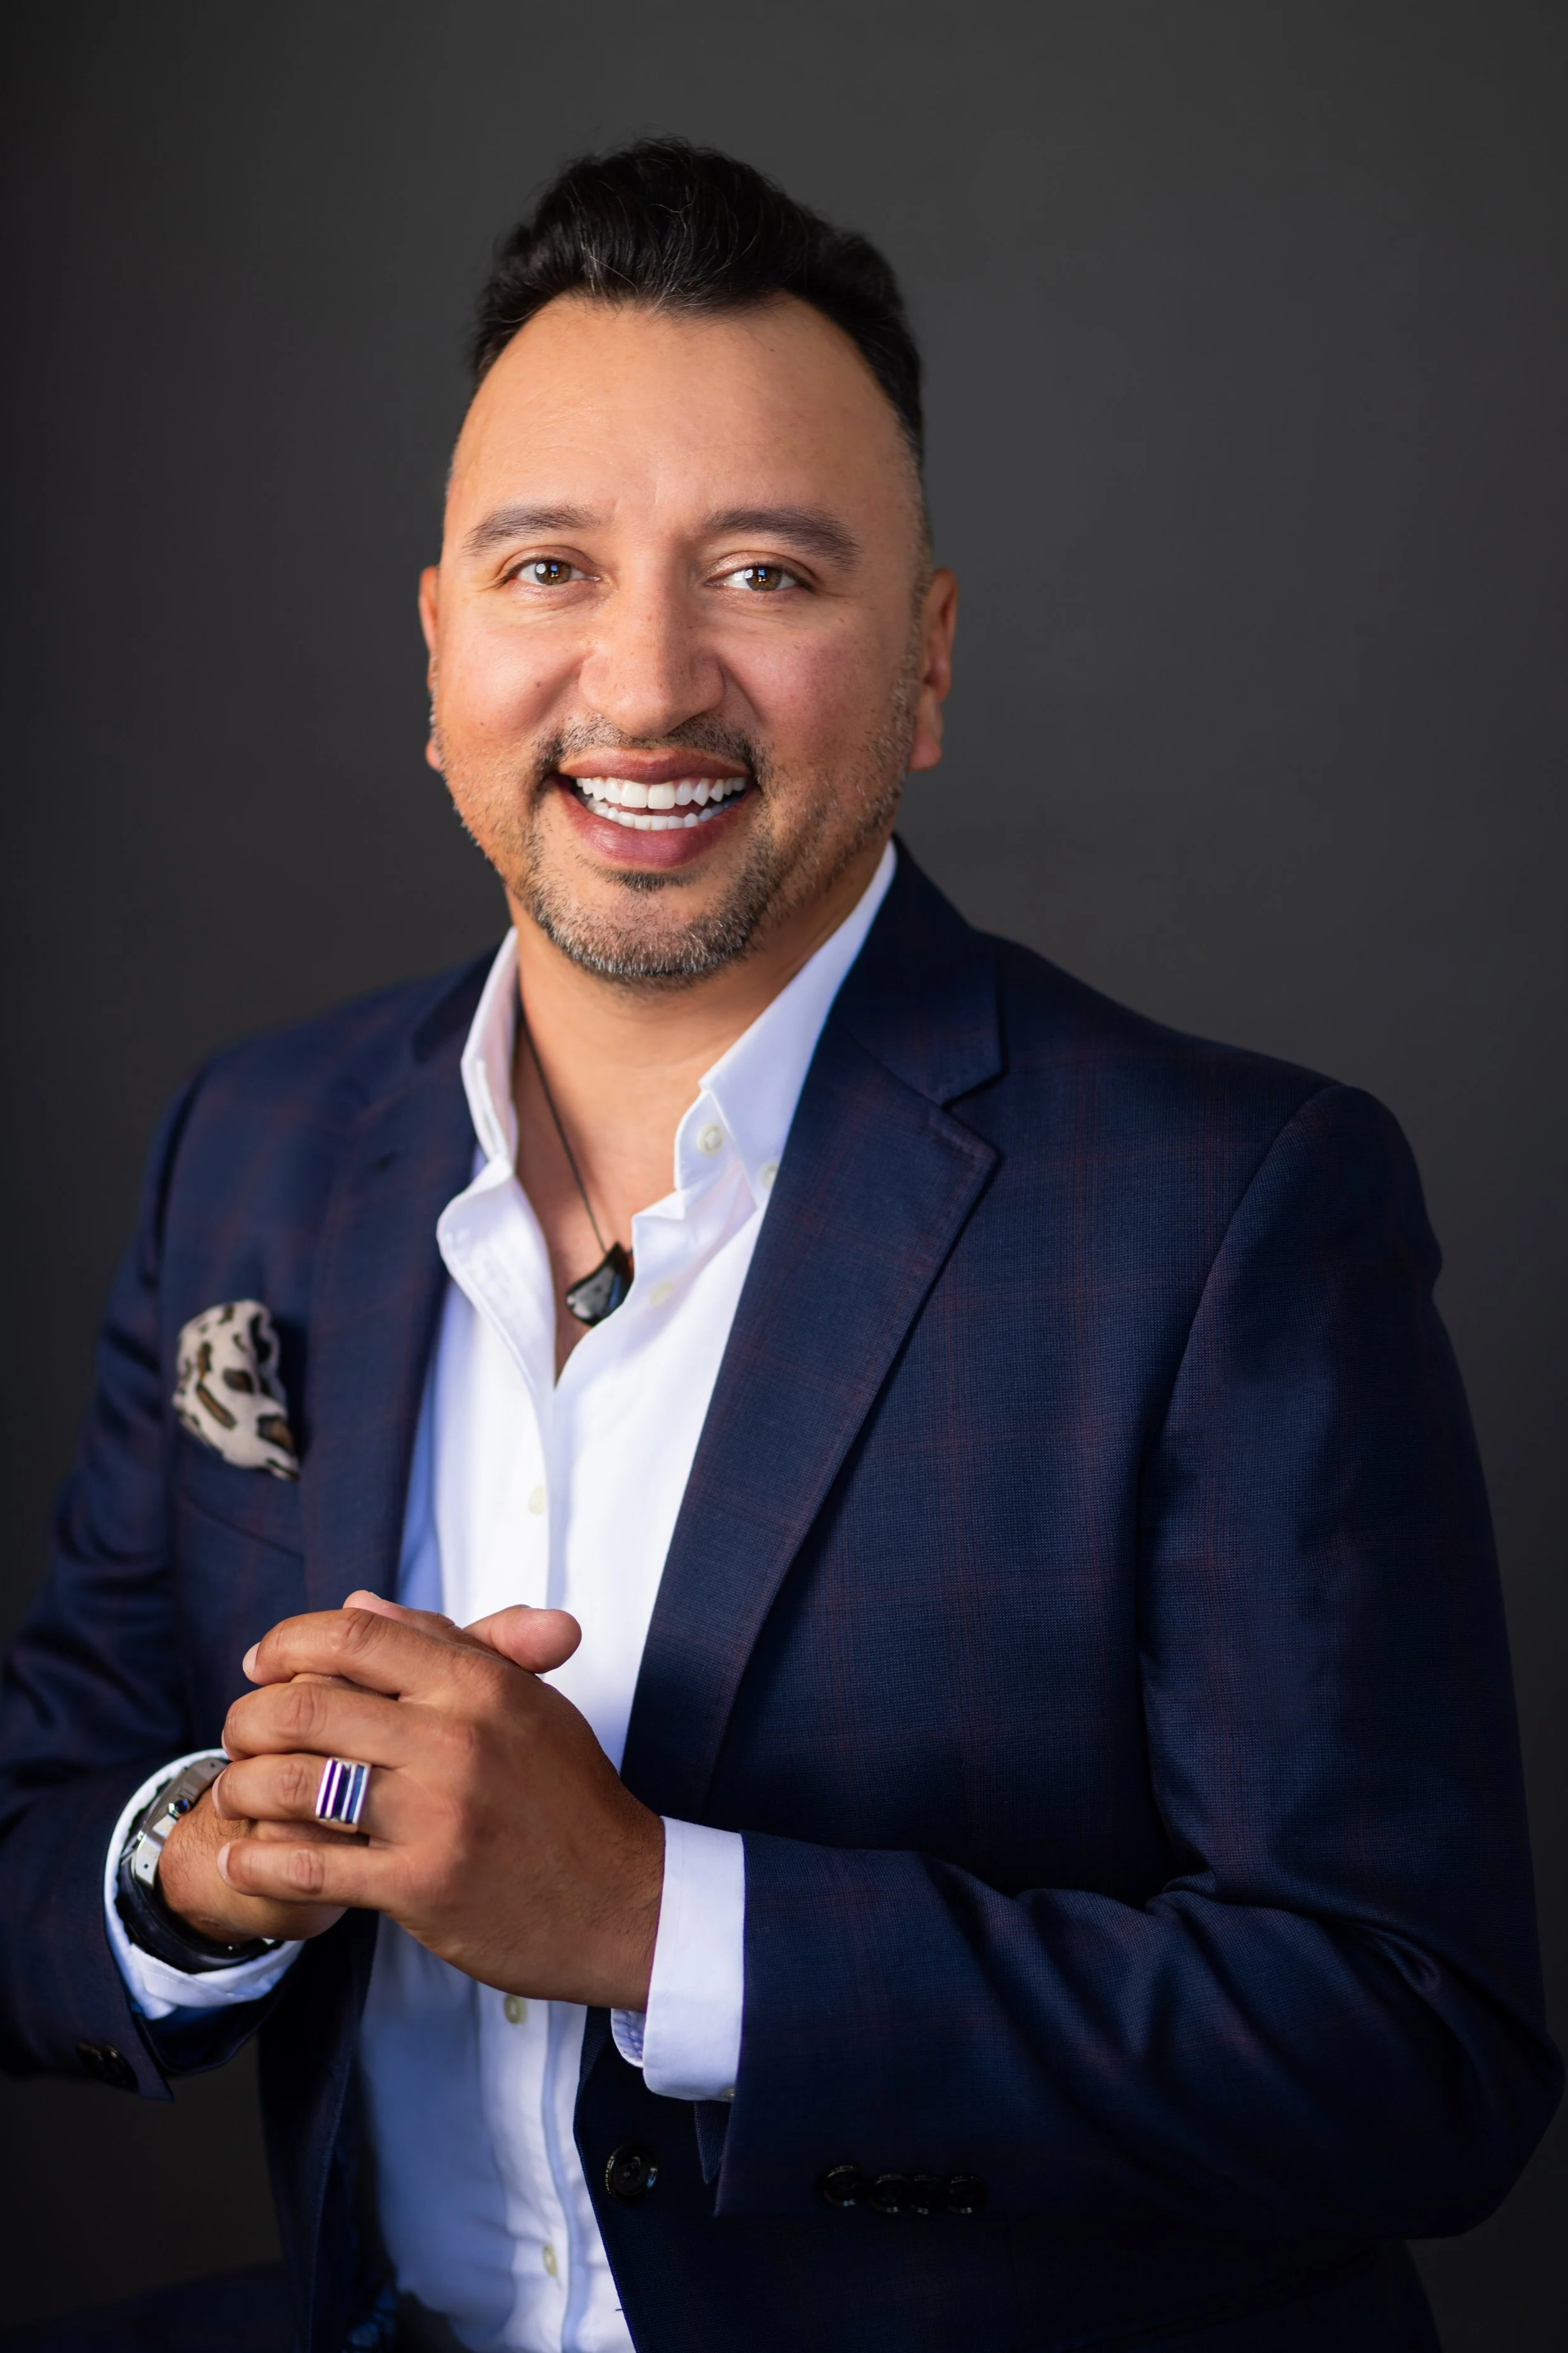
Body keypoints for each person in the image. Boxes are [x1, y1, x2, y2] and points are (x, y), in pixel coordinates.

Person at [0, 139, 1557, 2353]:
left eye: (764, 571)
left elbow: (1414, 2049)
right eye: (549, 568)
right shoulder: (244, 1148)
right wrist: (191, 1859)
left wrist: (662, 1919)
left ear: (923, 663)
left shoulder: (1239, 1210)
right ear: (438, 647)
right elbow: (44, 1812)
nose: (643, 686)